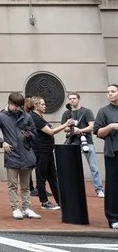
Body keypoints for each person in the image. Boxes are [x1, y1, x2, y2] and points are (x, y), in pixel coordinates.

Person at [0, 92, 40, 220]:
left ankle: (27, 208)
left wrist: (30, 136)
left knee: (26, 186)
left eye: (20, 106)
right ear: (10, 103)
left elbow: (35, 135)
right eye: (16, 106)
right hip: (12, 154)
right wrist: (2, 142)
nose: (18, 109)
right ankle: (15, 208)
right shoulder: (1, 116)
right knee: (12, 185)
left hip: (27, 154)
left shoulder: (27, 116)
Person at [27, 96, 72, 211]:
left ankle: (60, 200)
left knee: (52, 176)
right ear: (36, 105)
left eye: (44, 104)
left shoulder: (39, 117)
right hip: (40, 150)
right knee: (41, 176)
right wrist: (65, 125)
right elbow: (50, 132)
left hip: (47, 150)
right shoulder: (34, 117)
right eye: (42, 104)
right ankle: (44, 201)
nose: (44, 106)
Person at [62, 91, 105, 197]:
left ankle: (99, 189)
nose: (72, 100)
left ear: (78, 99)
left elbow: (92, 126)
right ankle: (73, 189)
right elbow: (64, 128)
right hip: (72, 142)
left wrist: (79, 130)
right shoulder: (67, 113)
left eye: (74, 98)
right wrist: (72, 128)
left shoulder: (86, 112)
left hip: (87, 141)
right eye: (70, 99)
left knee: (93, 166)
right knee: (72, 167)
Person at [94, 84, 118, 229]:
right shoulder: (104, 111)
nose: (110, 94)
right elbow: (97, 132)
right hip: (113, 152)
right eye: (108, 92)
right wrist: (111, 127)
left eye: (113, 91)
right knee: (113, 185)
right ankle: (113, 218)